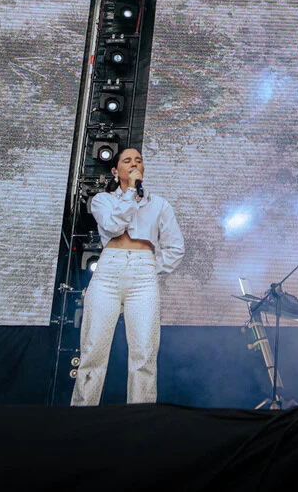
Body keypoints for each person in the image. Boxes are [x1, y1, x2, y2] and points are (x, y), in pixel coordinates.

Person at [71, 147, 184, 406]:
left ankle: (140, 418)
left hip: (143, 275)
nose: (134, 164)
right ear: (115, 170)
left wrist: (148, 266)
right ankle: (80, 414)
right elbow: (113, 226)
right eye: (127, 160)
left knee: (144, 351)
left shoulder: (160, 205)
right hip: (108, 273)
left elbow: (176, 247)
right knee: (93, 348)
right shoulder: (103, 200)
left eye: (139, 160)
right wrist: (131, 192)